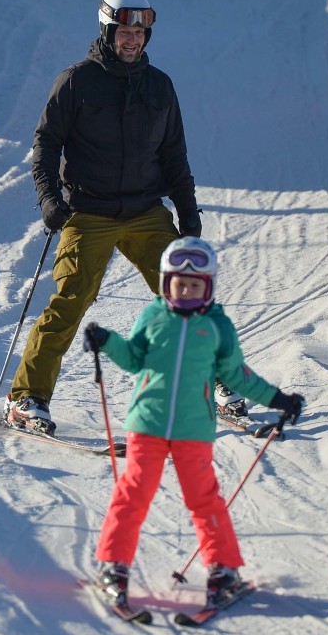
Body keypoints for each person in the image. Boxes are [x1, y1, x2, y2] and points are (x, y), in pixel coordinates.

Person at [2, 0, 249, 435]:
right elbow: (45, 147)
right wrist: (50, 200)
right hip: (88, 211)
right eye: (125, 32)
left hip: (144, 211)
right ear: (107, 31)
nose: (132, 40)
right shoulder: (76, 81)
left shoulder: (160, 86)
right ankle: (26, 398)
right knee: (71, 300)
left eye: (140, 32)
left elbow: (175, 156)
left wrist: (188, 218)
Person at [83, 237, 304, 608]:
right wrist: (107, 341)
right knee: (132, 495)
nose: (185, 291)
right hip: (147, 424)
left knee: (204, 501)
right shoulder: (153, 316)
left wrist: (278, 399)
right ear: (167, 282)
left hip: (193, 430)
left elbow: (237, 376)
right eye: (179, 284)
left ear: (209, 286)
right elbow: (134, 358)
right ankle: (113, 565)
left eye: (195, 285)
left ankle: (223, 569)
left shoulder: (218, 327)